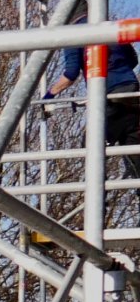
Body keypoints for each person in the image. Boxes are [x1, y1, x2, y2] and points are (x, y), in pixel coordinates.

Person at [46, 16, 140, 185]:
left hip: (110, 92)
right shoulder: (109, 25)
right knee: (130, 140)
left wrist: (49, 95)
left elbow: (70, 74)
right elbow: (133, 59)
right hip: (131, 88)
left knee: (91, 143)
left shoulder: (73, 32)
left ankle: (98, 193)